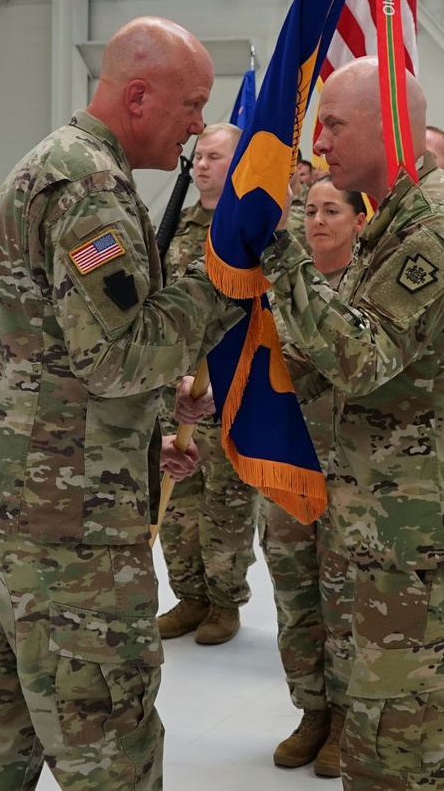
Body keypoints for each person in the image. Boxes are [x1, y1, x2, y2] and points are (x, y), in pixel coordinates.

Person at [0, 17, 242, 791]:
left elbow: (44, 351)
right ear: (138, 95)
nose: (198, 125)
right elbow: (118, 357)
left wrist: (137, 442)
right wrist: (217, 284)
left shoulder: (49, 165)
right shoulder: (91, 188)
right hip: (63, 537)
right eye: (192, 104)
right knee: (108, 754)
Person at [250, 58, 444, 790]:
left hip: (425, 532)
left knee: (395, 754)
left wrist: (278, 252)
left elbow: (362, 356)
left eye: (336, 124)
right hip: (421, 519)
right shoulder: (396, 222)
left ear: (393, 125)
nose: (320, 141)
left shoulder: (438, 224)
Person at [264, 176, 362, 777]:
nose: (319, 220)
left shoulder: (368, 292)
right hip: (288, 464)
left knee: (346, 596)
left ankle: (349, 718)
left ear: (358, 220)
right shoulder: (277, 292)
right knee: (295, 592)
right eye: (311, 210)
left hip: (353, 469)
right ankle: (312, 710)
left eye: (333, 210)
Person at [157, 123, 260, 647]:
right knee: (177, 499)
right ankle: (189, 595)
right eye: (198, 156)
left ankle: (224, 601)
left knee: (226, 502)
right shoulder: (176, 222)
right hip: (174, 383)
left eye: (215, 157)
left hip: (228, 385)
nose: (200, 164)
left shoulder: (248, 228)